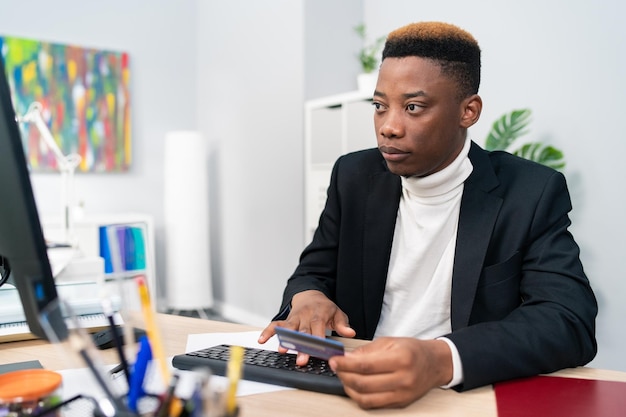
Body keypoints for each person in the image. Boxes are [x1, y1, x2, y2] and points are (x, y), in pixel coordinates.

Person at [258, 21, 597, 409]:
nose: (388, 127)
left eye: (413, 107)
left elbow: (567, 320)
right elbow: (314, 269)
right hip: (355, 387)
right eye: (379, 106)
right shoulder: (353, 177)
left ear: (468, 111)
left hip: (459, 397)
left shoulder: (530, 192)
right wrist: (309, 295)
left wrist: (439, 358)